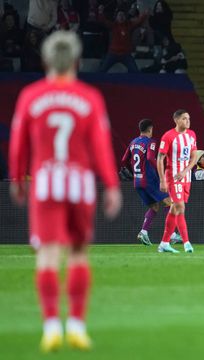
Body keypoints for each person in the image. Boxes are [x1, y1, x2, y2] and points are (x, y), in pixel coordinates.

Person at [8, 31, 122, 352]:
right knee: (77, 254)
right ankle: (76, 324)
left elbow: (18, 145)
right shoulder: (89, 98)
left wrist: (17, 179)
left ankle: (50, 327)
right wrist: (112, 185)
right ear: (76, 61)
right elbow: (101, 147)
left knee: (47, 256)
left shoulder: (31, 96)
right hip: (80, 185)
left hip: (45, 183)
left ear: (45, 60)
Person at [120, 118, 181, 245]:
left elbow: (124, 160)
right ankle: (172, 235)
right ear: (150, 129)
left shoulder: (133, 142)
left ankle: (143, 232)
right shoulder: (151, 142)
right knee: (169, 202)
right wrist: (161, 171)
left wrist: (133, 172)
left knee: (154, 206)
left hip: (137, 182)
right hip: (149, 179)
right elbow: (150, 158)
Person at [156, 110, 197, 253]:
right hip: (172, 177)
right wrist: (162, 180)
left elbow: (194, 157)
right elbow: (160, 158)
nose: (188, 121)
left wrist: (186, 171)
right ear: (176, 120)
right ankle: (187, 243)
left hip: (186, 177)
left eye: (189, 118)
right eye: (184, 118)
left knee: (174, 209)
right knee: (180, 207)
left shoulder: (192, 135)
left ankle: (164, 243)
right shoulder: (168, 136)